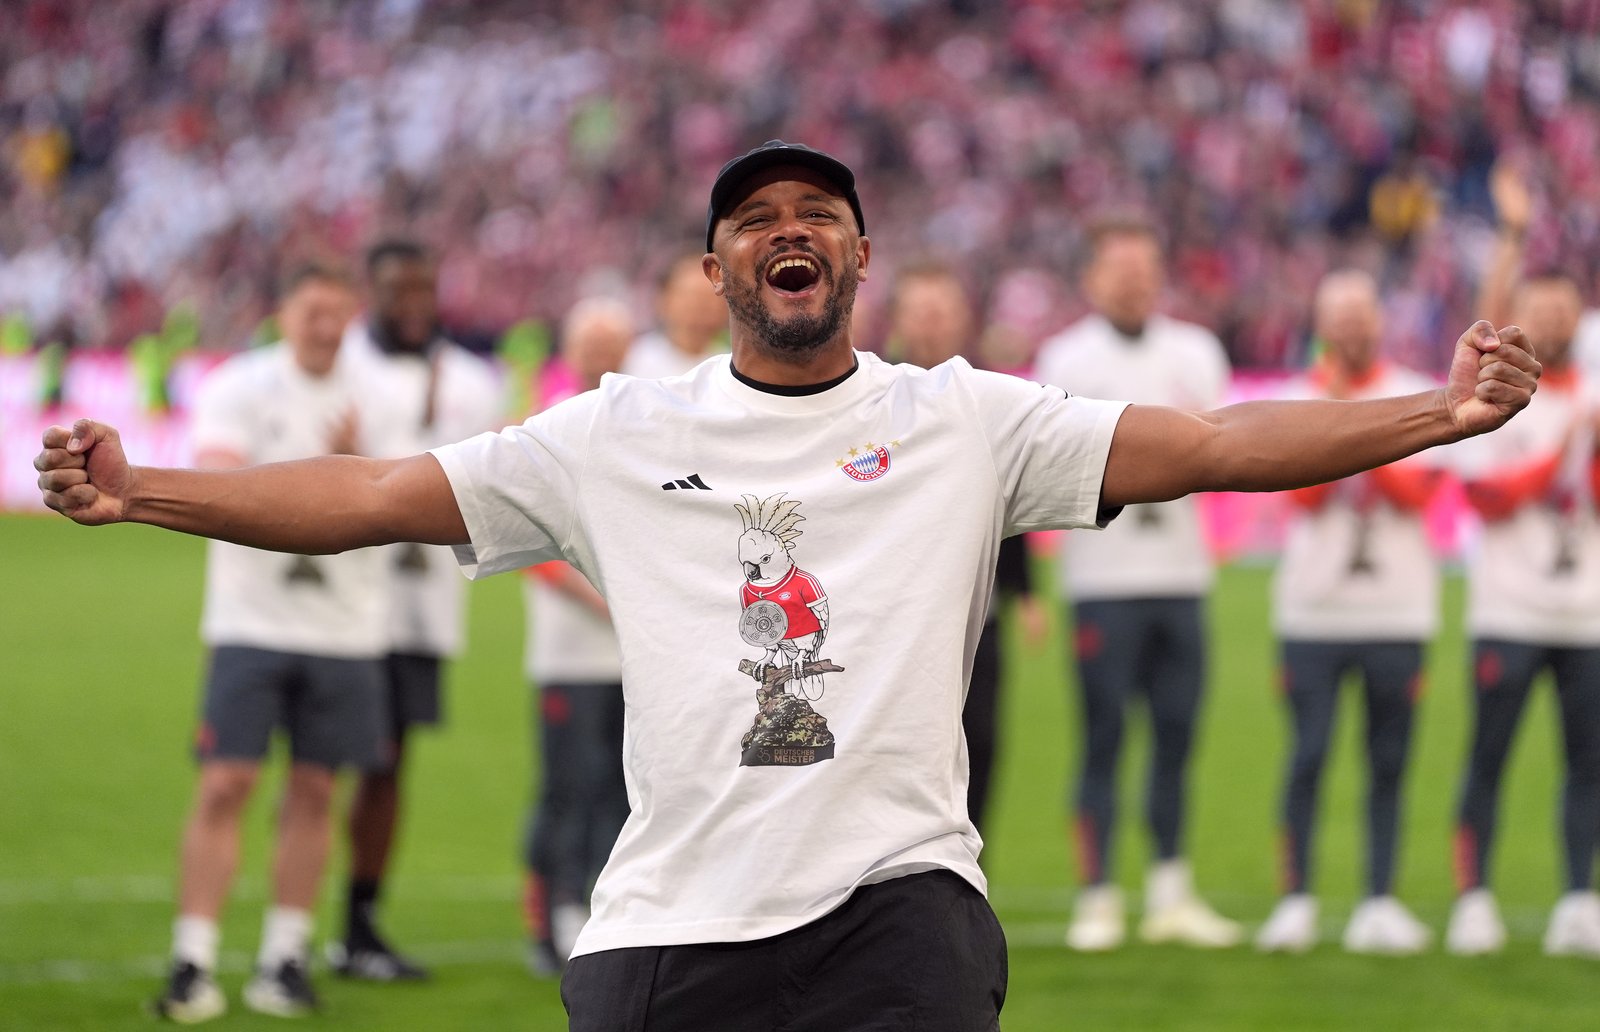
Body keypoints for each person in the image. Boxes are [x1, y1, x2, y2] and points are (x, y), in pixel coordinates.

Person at [36, 141, 1539, 1030]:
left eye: (816, 212)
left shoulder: (965, 418)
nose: (788, 231)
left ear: (860, 256)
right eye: (755, 219)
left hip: (898, 918)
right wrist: (141, 487)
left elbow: (1212, 445)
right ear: (716, 273)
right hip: (668, 929)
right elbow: (371, 495)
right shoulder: (615, 433)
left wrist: (1440, 411)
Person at [149, 263, 388, 1021]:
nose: (325, 326)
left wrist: (358, 463)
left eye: (337, 311)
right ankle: (192, 959)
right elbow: (219, 486)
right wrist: (338, 475)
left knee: (317, 790)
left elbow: (407, 495)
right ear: (283, 313)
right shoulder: (238, 385)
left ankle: (284, 957)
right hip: (249, 622)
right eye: (312, 310)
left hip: (347, 629)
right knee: (226, 783)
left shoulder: (379, 391)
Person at [1032, 216, 1241, 951]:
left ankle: (1170, 891)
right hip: (1103, 584)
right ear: (1092, 277)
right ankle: (1098, 897)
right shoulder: (1066, 358)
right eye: (1119, 269)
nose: (1133, 282)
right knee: (1103, 738)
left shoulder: (1196, 351)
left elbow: (1227, 450)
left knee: (1177, 738)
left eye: (1145, 268)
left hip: (1181, 579)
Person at [325, 239, 502, 981]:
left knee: (389, 764)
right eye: (397, 289)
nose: (412, 304)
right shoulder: (338, 366)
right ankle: (291, 931)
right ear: (371, 290)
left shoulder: (471, 380)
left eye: (423, 289)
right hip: (337, 604)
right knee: (316, 767)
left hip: (420, 608)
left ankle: (360, 926)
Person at [1253, 271, 1443, 955]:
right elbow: (1299, 495)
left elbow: (1418, 494)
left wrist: (1353, 431)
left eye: (1361, 315)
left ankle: (1380, 902)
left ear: (1378, 322)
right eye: (1338, 317)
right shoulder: (1296, 399)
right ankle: (1296, 900)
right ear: (1320, 325)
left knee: (1388, 763)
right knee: (1306, 757)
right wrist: (1331, 415)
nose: (1351, 329)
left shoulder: (1417, 392)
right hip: (1313, 613)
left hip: (1398, 611)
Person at [1444, 175, 1600, 956]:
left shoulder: (1592, 393)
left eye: (1566, 311)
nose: (1556, 321)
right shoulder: (1500, 394)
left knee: (1589, 766)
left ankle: (1578, 898)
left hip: (1587, 615)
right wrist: (1563, 453)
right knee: (1489, 757)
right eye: (1542, 311)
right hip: (1507, 611)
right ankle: (1473, 900)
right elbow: (1487, 498)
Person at [887, 259, 1048, 835]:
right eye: (920, 311)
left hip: (977, 616)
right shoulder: (866, 397)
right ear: (898, 319)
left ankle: (970, 864)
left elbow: (1012, 501)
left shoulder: (988, 400)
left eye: (942, 310)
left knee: (979, 742)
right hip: (892, 617)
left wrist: (1025, 593)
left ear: (963, 319)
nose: (932, 323)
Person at [521, 297, 633, 976]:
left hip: (633, 654)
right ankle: (552, 912)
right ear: (570, 351)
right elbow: (532, 550)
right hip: (569, 650)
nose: (603, 359)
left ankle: (598, 904)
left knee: (621, 786)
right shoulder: (546, 428)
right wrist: (610, 599)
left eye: (614, 346)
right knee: (568, 785)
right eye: (592, 346)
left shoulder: (641, 425)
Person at [620, 251, 728, 378]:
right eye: (691, 296)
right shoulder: (635, 359)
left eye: (709, 298)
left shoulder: (730, 364)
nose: (699, 306)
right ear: (663, 299)